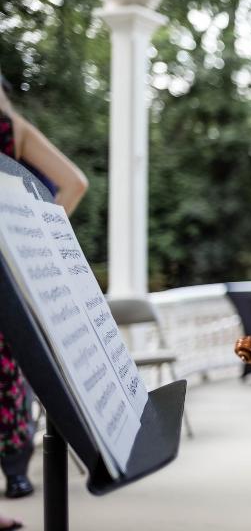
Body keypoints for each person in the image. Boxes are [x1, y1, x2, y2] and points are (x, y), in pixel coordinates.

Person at [0, 70, 87, 521]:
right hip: (6, 272)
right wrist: (32, 237)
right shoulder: (11, 127)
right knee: (8, 370)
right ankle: (16, 470)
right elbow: (74, 183)